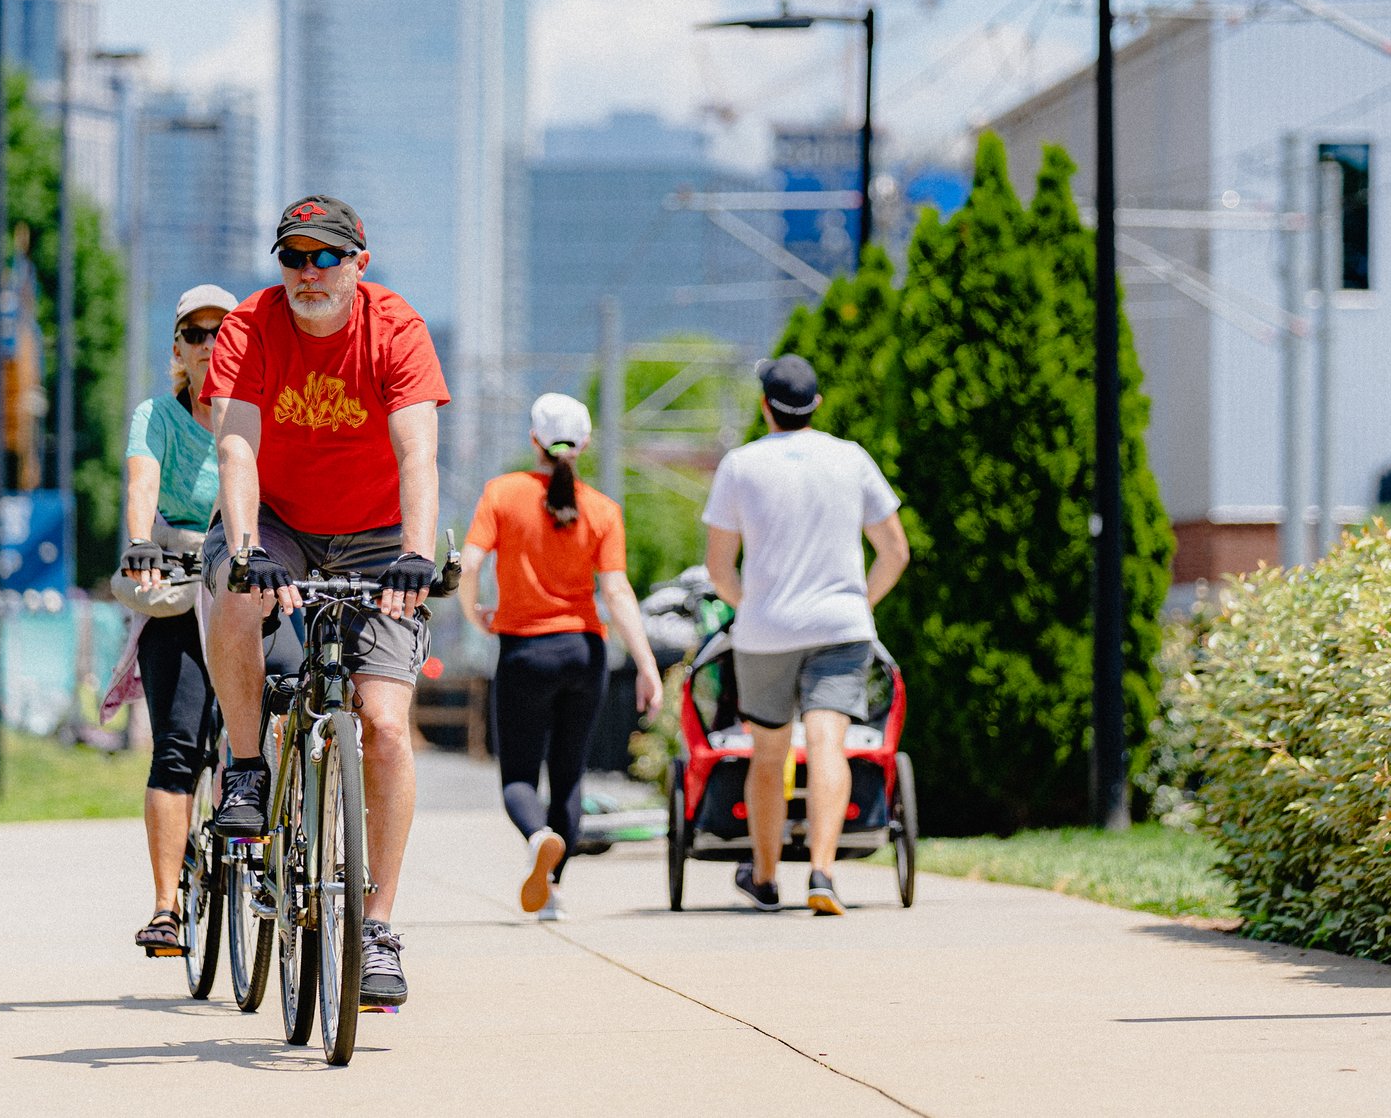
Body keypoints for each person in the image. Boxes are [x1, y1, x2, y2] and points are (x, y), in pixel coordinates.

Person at [197, 194, 447, 1009]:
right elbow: (236, 443)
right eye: (294, 257)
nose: (308, 272)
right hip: (279, 520)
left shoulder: (396, 329)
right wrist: (244, 551)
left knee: (381, 723)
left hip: (379, 533)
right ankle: (244, 770)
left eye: (325, 257)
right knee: (233, 591)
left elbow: (418, 453)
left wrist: (415, 553)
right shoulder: (251, 326)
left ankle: (376, 928)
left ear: (357, 265)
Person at [701, 355, 909, 916]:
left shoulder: (739, 467)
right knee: (827, 745)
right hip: (840, 629)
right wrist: (858, 605)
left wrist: (754, 606)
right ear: (816, 405)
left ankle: (766, 879)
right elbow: (895, 550)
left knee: (768, 756)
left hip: (765, 634)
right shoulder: (851, 459)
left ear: (765, 406)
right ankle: (822, 871)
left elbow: (719, 569)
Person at [457, 393, 662, 922]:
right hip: (584, 653)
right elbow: (617, 593)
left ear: (534, 441)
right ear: (586, 444)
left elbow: (469, 564)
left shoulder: (502, 494)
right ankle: (551, 888)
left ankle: (538, 837)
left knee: (520, 779)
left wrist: (474, 613)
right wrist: (645, 664)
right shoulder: (602, 509)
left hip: (524, 651)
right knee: (570, 775)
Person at [113, 284, 239, 955]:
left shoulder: (258, 413)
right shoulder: (157, 415)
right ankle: (167, 908)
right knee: (178, 747)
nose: (211, 345)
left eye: (224, 331)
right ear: (178, 351)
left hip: (248, 580)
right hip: (180, 578)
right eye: (196, 334)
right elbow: (142, 481)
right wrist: (140, 544)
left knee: (277, 713)